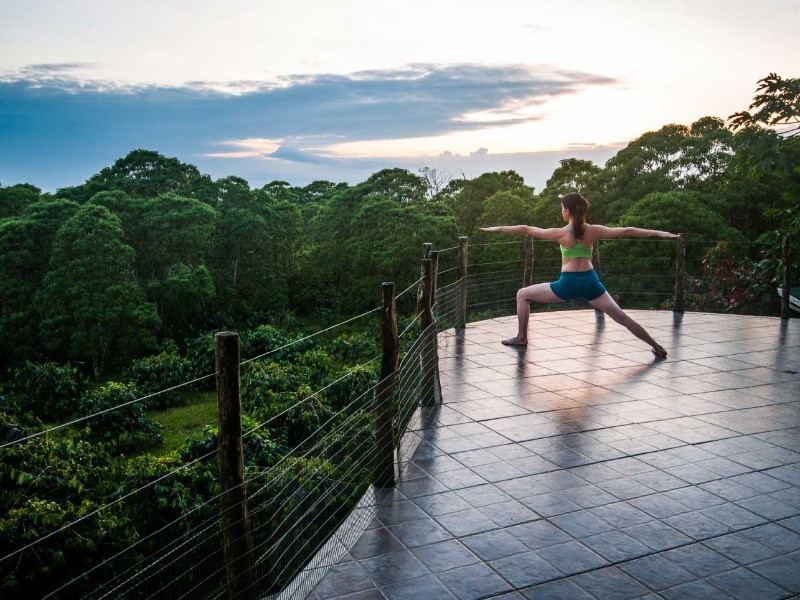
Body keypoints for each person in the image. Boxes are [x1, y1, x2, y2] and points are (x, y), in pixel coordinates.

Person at [479, 192, 679, 357]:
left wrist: (496, 228)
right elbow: (627, 230)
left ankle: (521, 338)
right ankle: (656, 346)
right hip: (591, 283)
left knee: (522, 294)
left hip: (567, 285)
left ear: (567, 212)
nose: (561, 211)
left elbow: (525, 228)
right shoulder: (593, 231)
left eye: (561, 208)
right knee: (622, 317)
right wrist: (663, 234)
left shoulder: (560, 233)